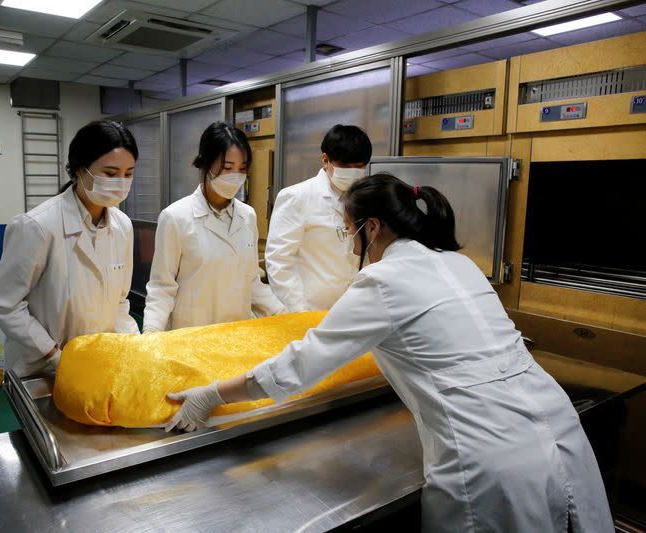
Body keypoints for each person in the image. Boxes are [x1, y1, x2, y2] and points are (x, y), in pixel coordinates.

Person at [164, 173, 614, 532]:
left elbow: (301, 365)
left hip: (489, 451)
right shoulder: (459, 263)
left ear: (372, 228)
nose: (350, 243)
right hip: (555, 424)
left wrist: (213, 395)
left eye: (348, 232)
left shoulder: (383, 281)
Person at [0, 120, 140, 376]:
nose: (120, 182)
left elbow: (119, 301)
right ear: (79, 170)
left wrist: (134, 345)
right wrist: (53, 355)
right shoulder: (38, 226)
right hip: (43, 367)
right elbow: (4, 303)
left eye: (129, 173)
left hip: (99, 364)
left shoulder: (122, 226)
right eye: (110, 174)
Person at [142, 122, 283, 332]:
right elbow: (162, 288)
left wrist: (284, 313)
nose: (235, 175)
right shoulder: (176, 217)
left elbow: (251, 281)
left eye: (242, 168)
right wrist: (151, 334)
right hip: (192, 336)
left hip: (237, 333)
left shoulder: (248, 216)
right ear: (206, 164)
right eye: (227, 168)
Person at [265, 124, 372, 312]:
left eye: (360, 167)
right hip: (309, 309)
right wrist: (299, 310)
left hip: (352, 309)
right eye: (346, 166)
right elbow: (279, 260)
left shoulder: (366, 199)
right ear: (325, 160)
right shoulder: (297, 197)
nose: (354, 173)